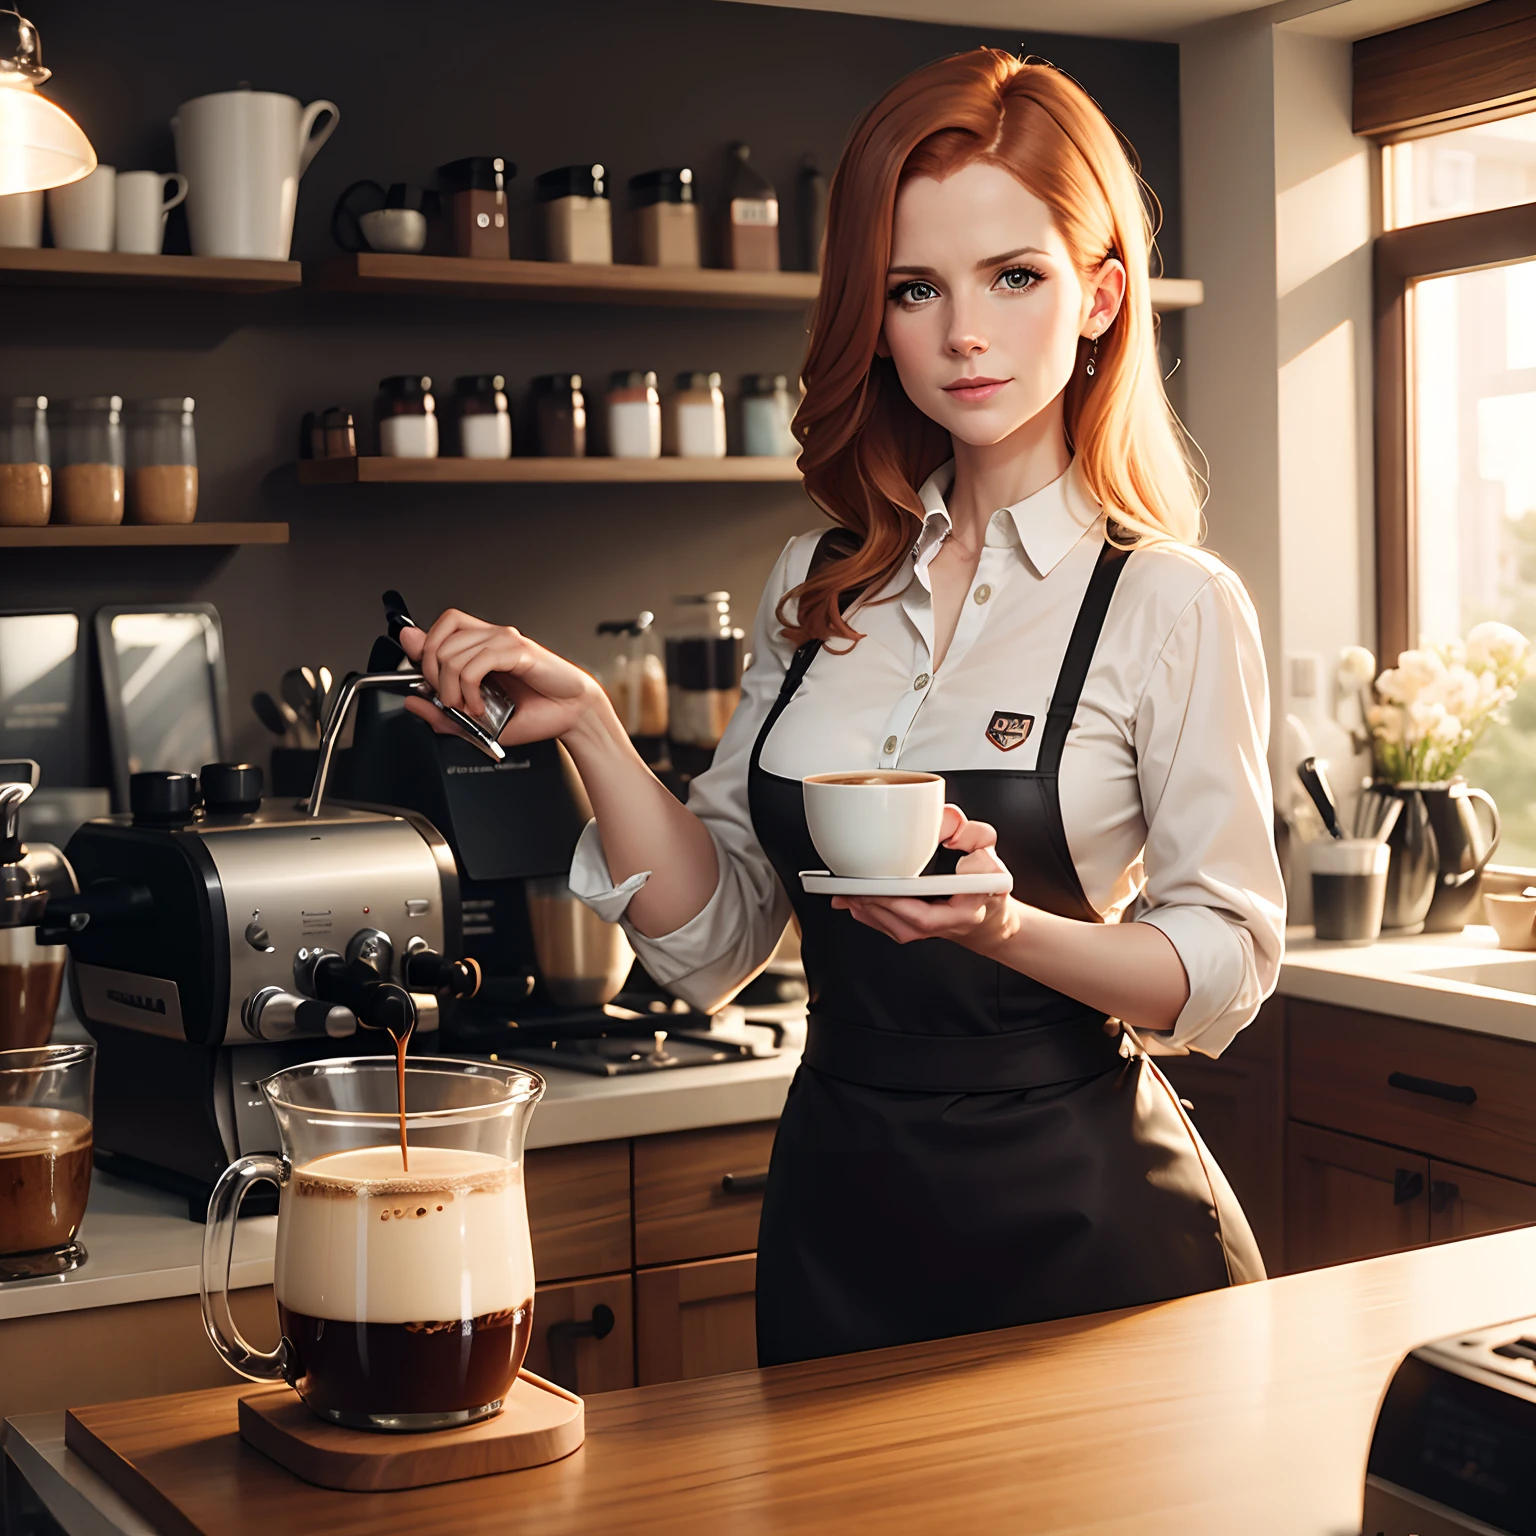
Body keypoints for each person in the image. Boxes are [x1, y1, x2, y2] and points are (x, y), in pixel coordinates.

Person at [399, 49, 1286, 1368]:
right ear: (872, 316)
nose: (963, 334)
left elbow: (1220, 973)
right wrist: (590, 726)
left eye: (1015, 277)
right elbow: (712, 942)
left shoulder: (1167, 602)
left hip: (1091, 1232)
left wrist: (1004, 930)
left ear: (1101, 298)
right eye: (915, 288)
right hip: (842, 1217)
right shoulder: (815, 584)